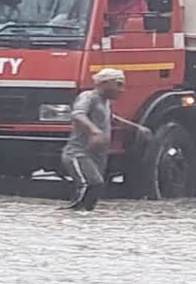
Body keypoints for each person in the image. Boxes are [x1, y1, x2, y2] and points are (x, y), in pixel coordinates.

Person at [59, 68, 152, 211]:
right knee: (91, 184)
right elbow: (77, 114)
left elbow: (112, 119)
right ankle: (71, 215)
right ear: (104, 83)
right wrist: (94, 131)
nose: (122, 90)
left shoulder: (105, 102)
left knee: (95, 190)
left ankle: (85, 219)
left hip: (97, 155)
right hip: (78, 153)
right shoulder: (88, 97)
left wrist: (137, 128)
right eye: (118, 84)